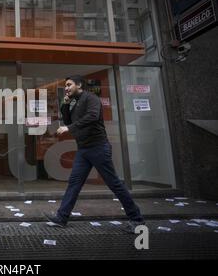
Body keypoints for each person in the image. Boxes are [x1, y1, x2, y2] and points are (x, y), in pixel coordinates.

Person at [44, 75, 145, 233]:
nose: (67, 88)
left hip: (98, 148)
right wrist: (65, 104)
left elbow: (91, 117)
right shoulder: (75, 102)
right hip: (84, 149)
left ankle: (137, 220)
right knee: (74, 183)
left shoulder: (91, 98)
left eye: (69, 85)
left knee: (114, 184)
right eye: (66, 86)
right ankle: (61, 218)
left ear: (79, 85)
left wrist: (69, 129)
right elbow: (69, 120)